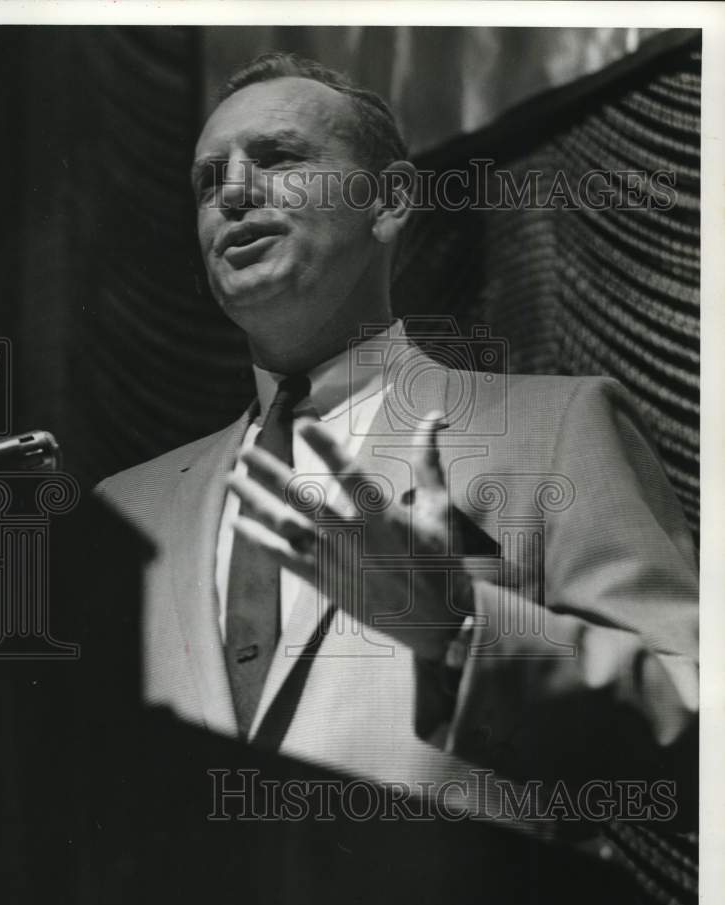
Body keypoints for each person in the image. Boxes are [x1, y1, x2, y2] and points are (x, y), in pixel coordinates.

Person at [95, 53, 698, 822]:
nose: (233, 195)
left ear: (388, 201)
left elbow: (696, 738)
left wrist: (455, 630)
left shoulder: (554, 431)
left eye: (277, 158)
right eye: (208, 181)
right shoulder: (124, 509)